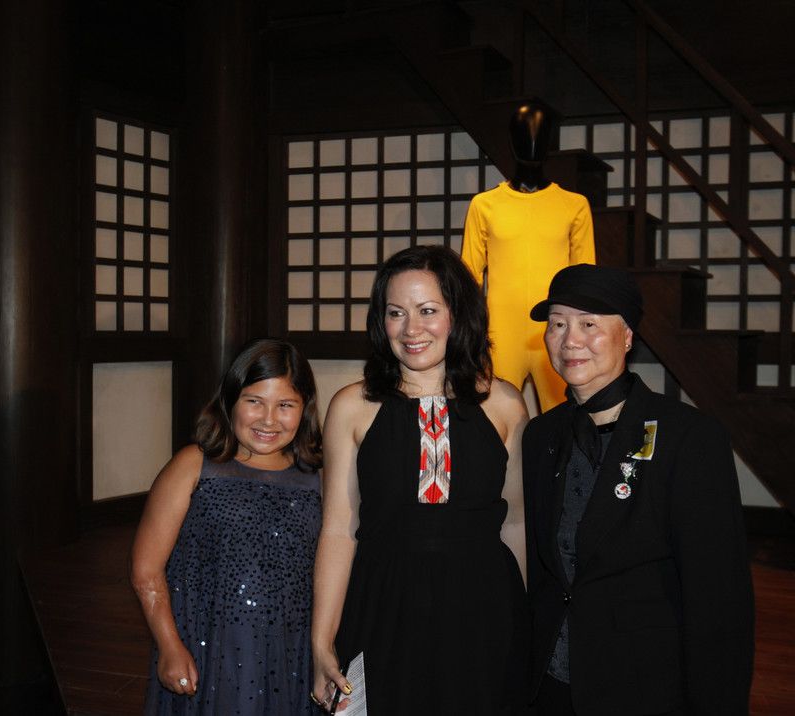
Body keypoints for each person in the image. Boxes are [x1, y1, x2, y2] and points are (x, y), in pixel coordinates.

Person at [523, 264, 754, 715]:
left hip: (642, 686)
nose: (570, 340)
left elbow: (718, 598)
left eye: (589, 324)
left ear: (627, 336)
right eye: (557, 324)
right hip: (551, 683)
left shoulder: (689, 438)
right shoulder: (542, 436)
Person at [311, 245, 529, 713]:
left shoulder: (505, 405)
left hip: (482, 607)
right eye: (396, 313)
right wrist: (321, 639)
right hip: (382, 603)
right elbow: (338, 529)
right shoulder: (351, 406)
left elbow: (515, 523)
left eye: (428, 310)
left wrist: (526, 623)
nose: (411, 329)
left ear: (459, 315)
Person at [131, 338, 324, 715]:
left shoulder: (318, 478)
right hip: (208, 645)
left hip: (292, 650)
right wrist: (169, 646)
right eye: (254, 401)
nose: (269, 419)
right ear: (231, 400)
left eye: (285, 405)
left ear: (305, 409)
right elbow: (146, 570)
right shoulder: (194, 465)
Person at [461, 99, 595, 412]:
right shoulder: (484, 205)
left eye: (540, 133)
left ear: (550, 142)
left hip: (558, 329)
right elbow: (467, 277)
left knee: (565, 418)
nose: (532, 140)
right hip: (500, 334)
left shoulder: (574, 205)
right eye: (524, 132)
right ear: (511, 140)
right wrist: (467, 335)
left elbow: (586, 280)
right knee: (494, 418)